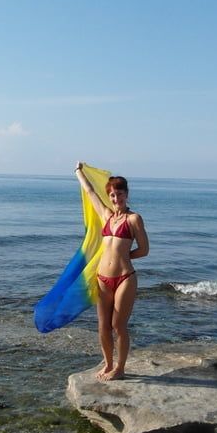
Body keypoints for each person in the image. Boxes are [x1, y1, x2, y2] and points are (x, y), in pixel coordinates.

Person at [75, 162, 149, 380]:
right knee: (102, 327)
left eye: (120, 194)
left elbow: (144, 250)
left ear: (127, 194)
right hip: (102, 279)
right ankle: (108, 364)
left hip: (125, 278)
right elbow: (90, 192)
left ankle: (120, 368)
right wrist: (79, 172)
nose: (116, 199)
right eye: (113, 195)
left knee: (118, 325)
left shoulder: (133, 219)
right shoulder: (106, 216)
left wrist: (124, 257)